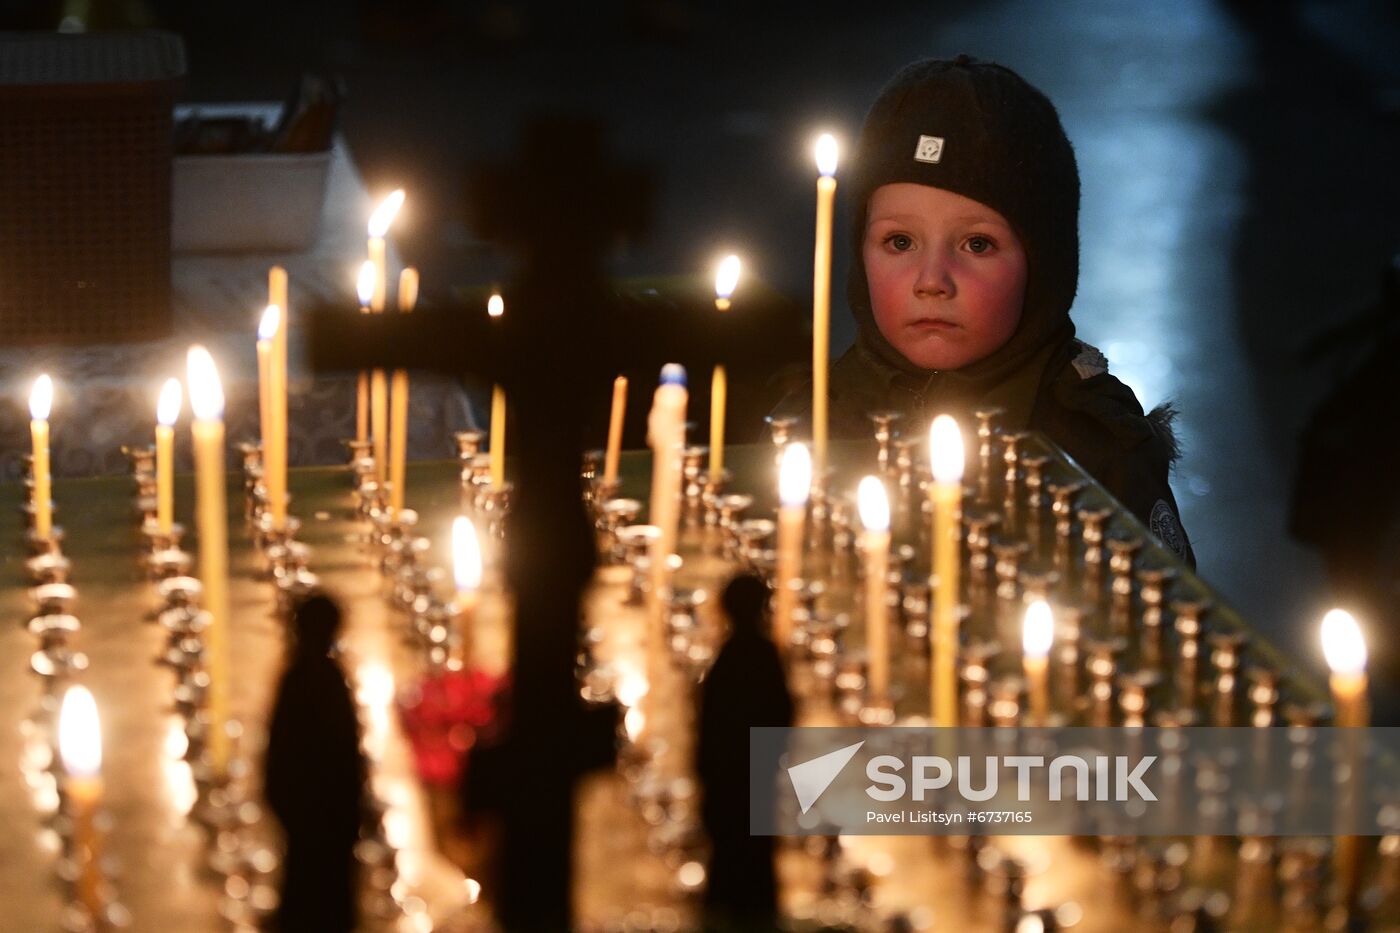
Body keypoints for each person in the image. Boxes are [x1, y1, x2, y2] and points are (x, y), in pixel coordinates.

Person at [782, 55, 1193, 564]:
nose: (932, 281)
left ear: (1044, 266)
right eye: (900, 241)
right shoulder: (815, 419)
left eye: (977, 244)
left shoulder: (1095, 448)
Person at [696, 573, 795, 932]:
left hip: (732, 783)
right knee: (751, 864)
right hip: (753, 781)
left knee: (733, 864)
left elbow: (710, 726)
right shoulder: (762, 656)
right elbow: (782, 716)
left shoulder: (729, 661)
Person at [263, 594, 366, 933]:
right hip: (322, 812)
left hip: (312, 810)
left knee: (309, 887)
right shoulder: (322, 680)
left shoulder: (300, 679)